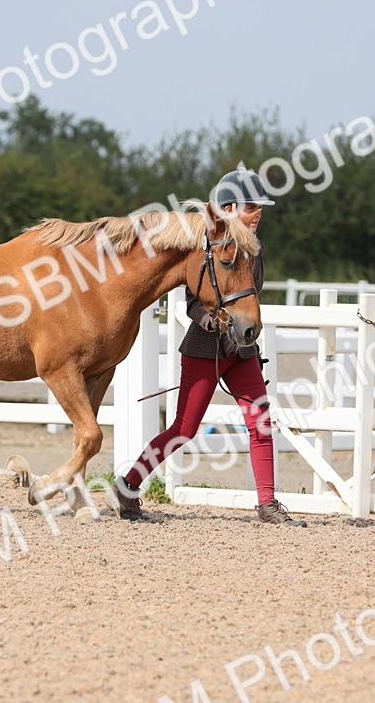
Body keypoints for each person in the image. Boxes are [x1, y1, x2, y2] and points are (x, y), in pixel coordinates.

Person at [106, 165, 306, 526]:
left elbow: (248, 297)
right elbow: (192, 302)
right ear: (227, 209)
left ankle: (267, 504)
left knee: (261, 422)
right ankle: (128, 484)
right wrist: (209, 319)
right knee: (183, 429)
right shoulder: (203, 247)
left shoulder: (255, 249)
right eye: (250, 206)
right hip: (204, 348)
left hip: (241, 351)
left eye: (259, 207)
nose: (258, 213)